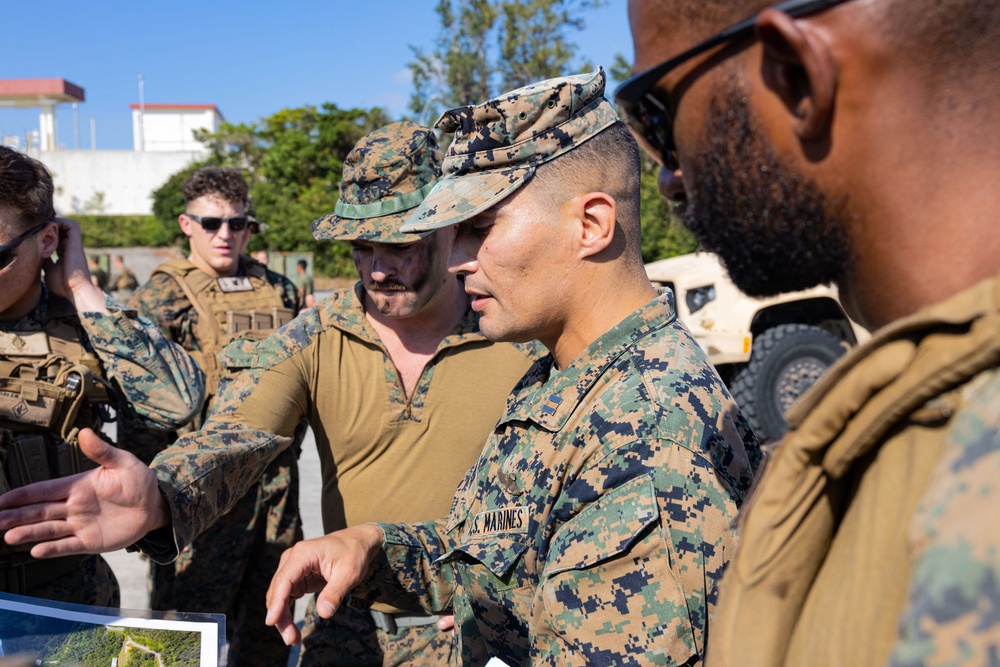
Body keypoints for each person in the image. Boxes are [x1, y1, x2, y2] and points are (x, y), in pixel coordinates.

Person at [262, 70, 760, 665]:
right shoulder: (569, 377)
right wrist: (372, 547)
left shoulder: (646, 442)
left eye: (479, 230)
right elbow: (499, 560)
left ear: (591, 225)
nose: (457, 263)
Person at [0, 122, 536, 667]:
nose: (378, 269)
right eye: (361, 245)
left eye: (400, 245)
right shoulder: (315, 334)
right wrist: (163, 495)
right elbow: (236, 432)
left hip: (491, 634)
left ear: (451, 226)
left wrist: (512, 582)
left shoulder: (521, 333)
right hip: (350, 631)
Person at [616, 0, 1000, 664]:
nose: (668, 176)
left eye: (658, 114)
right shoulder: (912, 414)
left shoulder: (973, 454)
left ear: (796, 75)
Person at [0, 146, 204, 607]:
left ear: (47, 240)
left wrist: (80, 288)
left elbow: (179, 399)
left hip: (69, 595)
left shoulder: (89, 325)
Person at [122, 166, 304, 667]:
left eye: (237, 223)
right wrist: (147, 503)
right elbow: (140, 407)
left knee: (271, 627)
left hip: (276, 493)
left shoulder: (281, 290)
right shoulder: (163, 296)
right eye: (210, 223)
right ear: (186, 224)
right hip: (198, 498)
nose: (225, 235)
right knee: (182, 640)